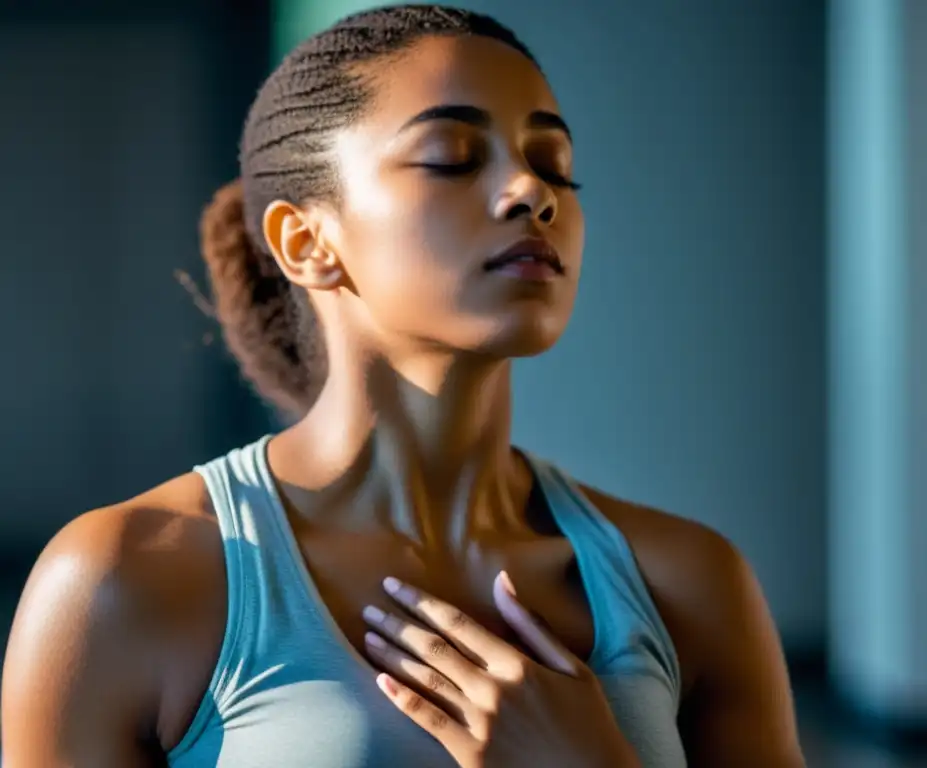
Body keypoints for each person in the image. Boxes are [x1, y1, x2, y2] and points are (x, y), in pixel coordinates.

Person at [0, 5, 805, 767]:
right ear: (306, 240)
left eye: (552, 165)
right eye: (451, 158)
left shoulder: (690, 583)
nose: (533, 193)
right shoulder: (123, 580)